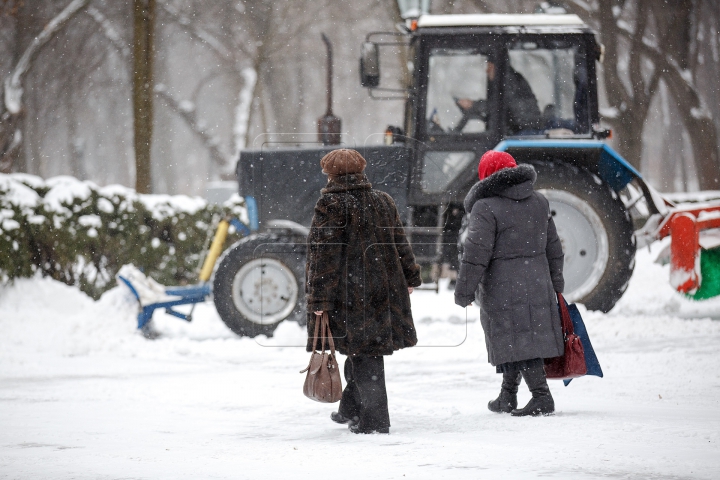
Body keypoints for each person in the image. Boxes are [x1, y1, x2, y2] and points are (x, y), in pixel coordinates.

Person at [305, 148, 422, 434]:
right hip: (383, 291)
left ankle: (375, 421)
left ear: (330, 174)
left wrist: (319, 296)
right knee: (360, 350)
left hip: (350, 294)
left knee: (366, 354)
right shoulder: (383, 200)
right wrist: (410, 277)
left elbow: (324, 255)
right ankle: (351, 408)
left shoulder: (330, 204)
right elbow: (399, 242)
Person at [454, 150, 565, 416]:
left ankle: (541, 397)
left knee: (517, 339)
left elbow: (475, 255)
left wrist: (464, 290)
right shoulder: (539, 201)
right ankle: (507, 396)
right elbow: (554, 247)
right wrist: (556, 282)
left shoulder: (485, 207)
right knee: (519, 338)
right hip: (538, 282)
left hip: (503, 287)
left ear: (486, 177)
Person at [456, 61, 543, 135]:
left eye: (489, 67)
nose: (487, 71)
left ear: (497, 67)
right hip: (519, 129)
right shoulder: (507, 79)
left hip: (523, 132)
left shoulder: (509, 81)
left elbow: (500, 106)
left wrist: (473, 105)